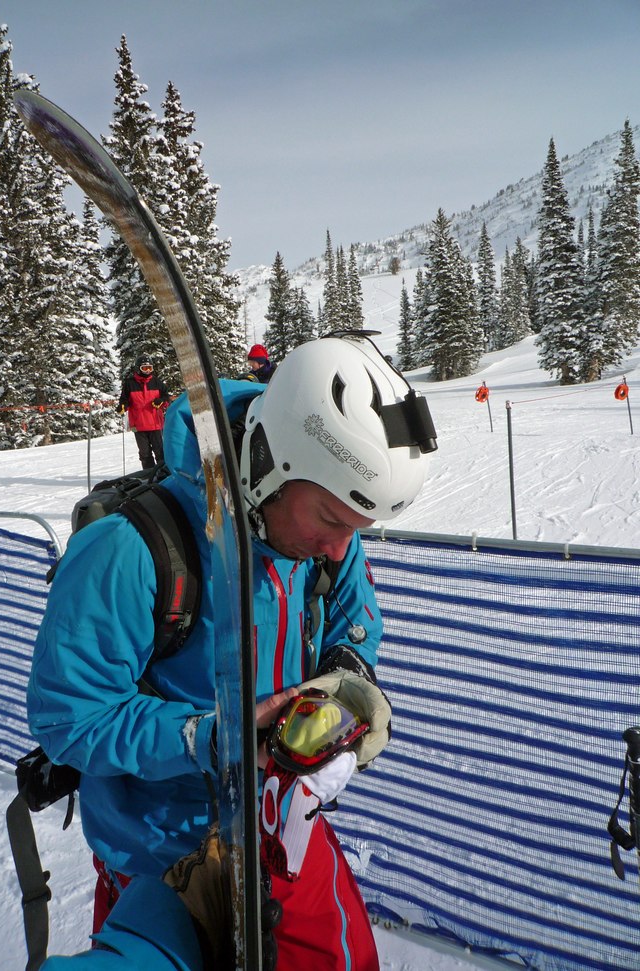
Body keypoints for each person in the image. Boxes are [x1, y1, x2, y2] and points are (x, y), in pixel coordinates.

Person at [27, 333, 436, 970]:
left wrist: (347, 687)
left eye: (358, 531)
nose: (340, 548)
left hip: (282, 834)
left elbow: (353, 625)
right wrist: (214, 736)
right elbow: (70, 719)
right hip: (162, 854)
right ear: (273, 466)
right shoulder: (127, 552)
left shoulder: (326, 533)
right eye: (330, 519)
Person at [117, 353, 170, 469]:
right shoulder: (130, 384)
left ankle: (163, 473)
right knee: (145, 454)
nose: (147, 371)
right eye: (144, 368)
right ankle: (148, 474)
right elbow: (124, 400)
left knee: (160, 452)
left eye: (149, 368)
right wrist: (122, 406)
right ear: (138, 368)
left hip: (155, 424)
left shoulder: (157, 382)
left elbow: (167, 398)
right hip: (138, 425)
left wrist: (161, 401)